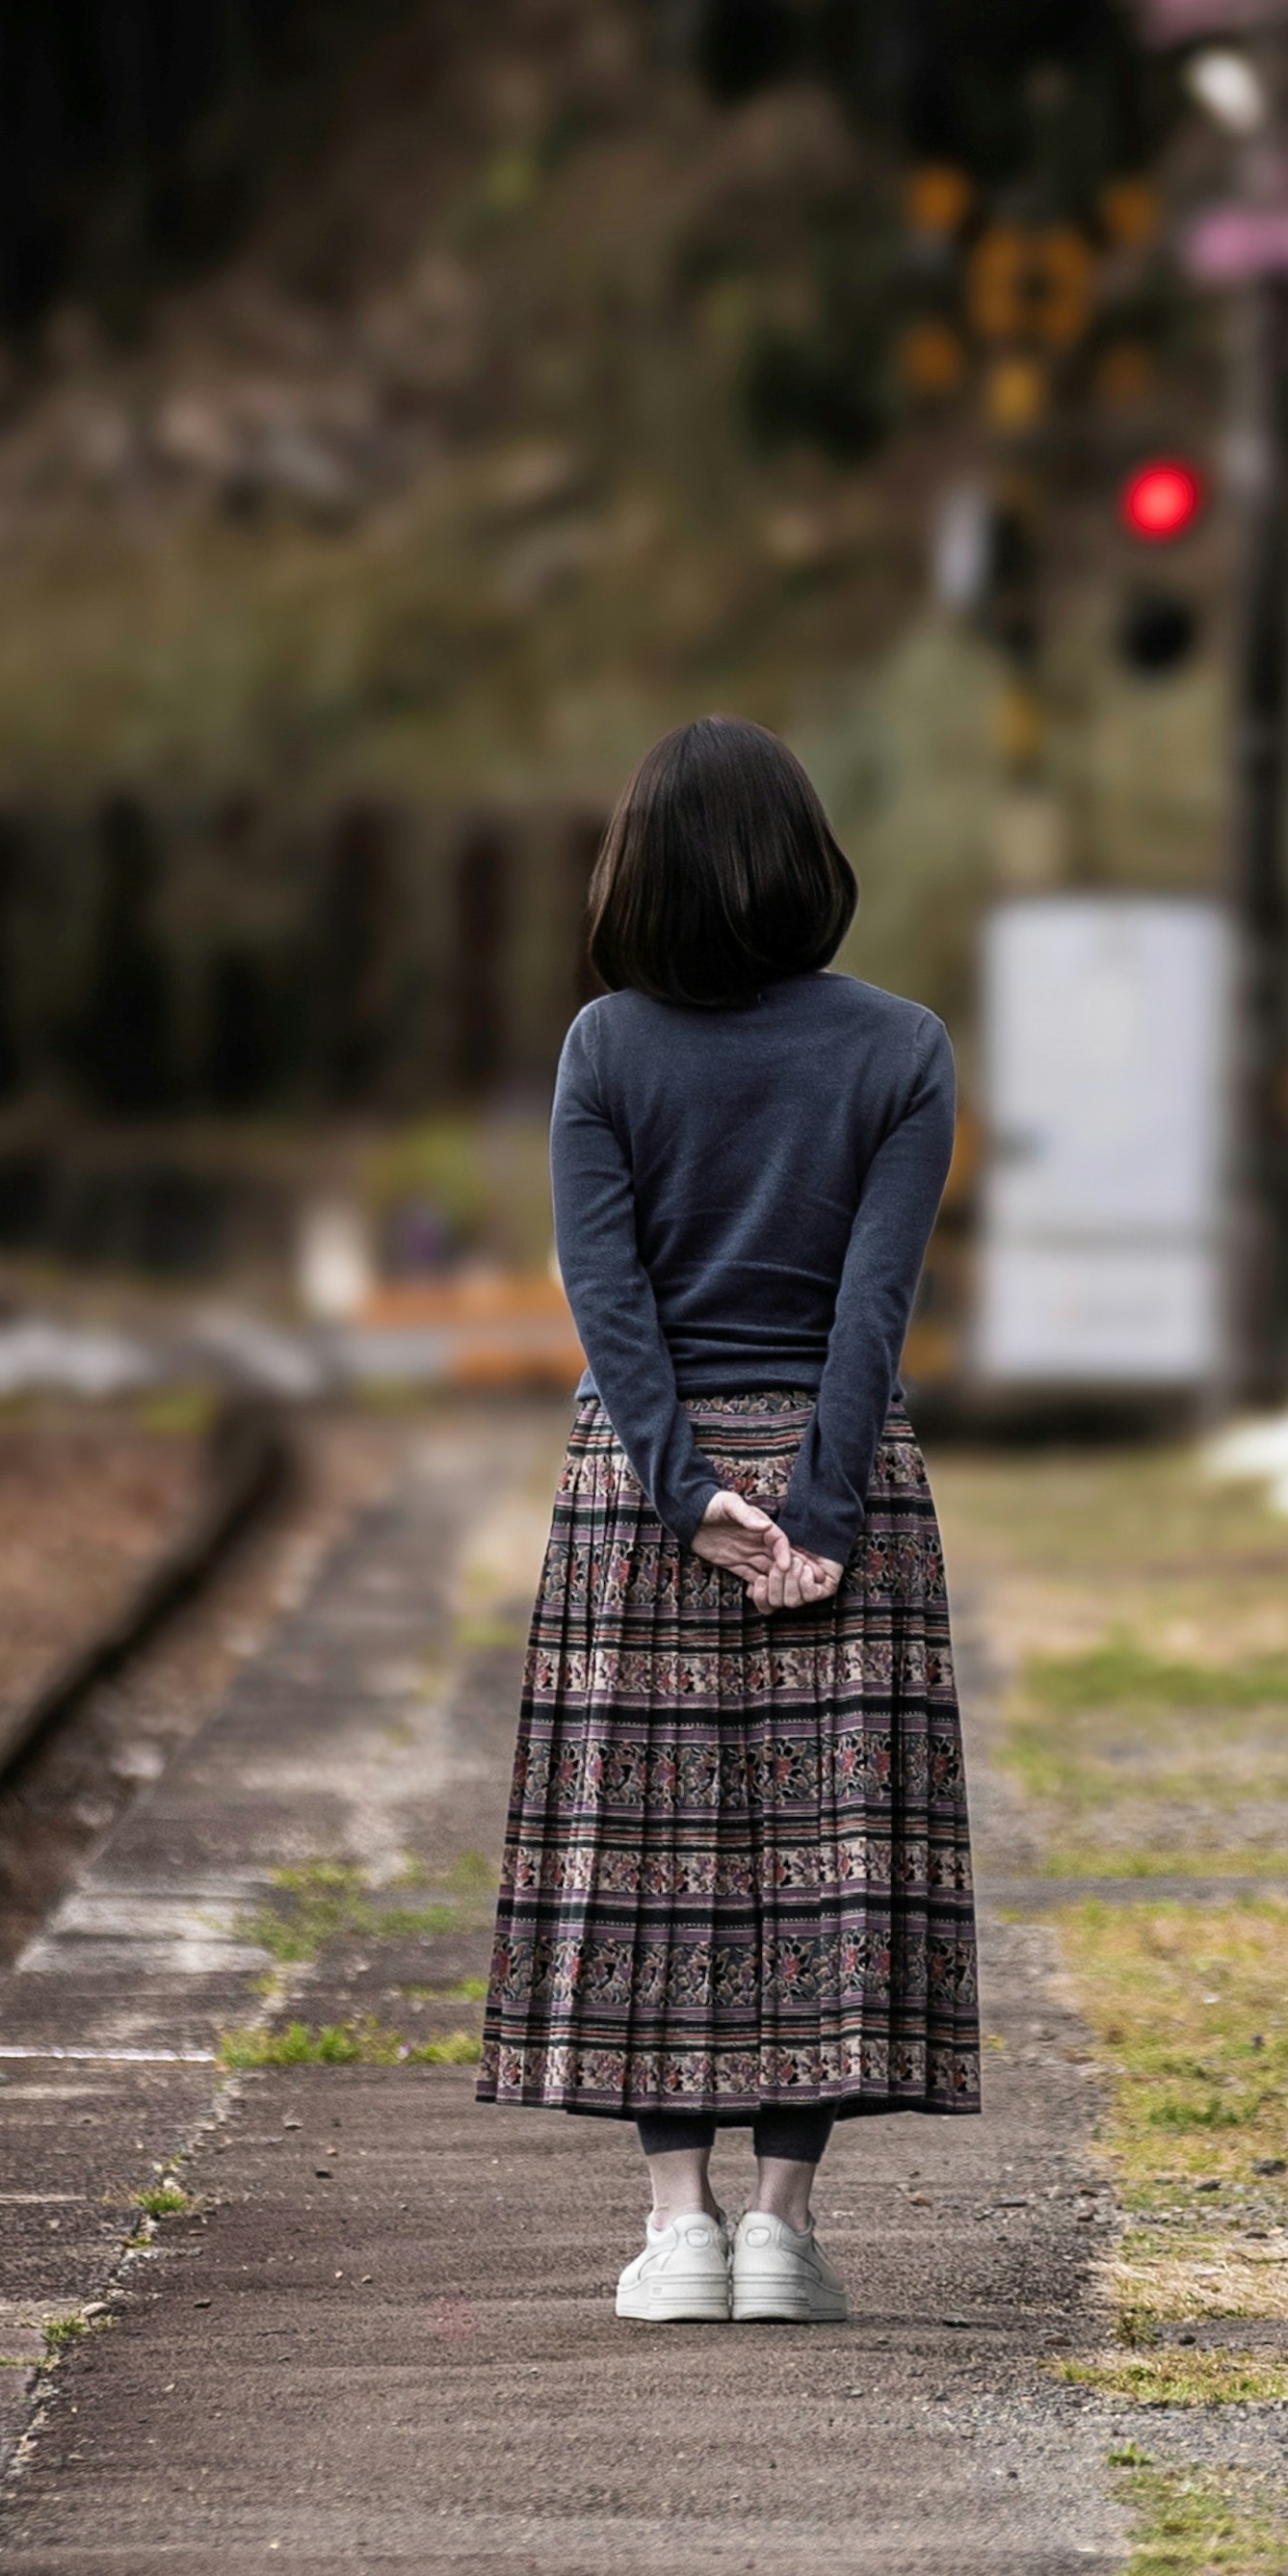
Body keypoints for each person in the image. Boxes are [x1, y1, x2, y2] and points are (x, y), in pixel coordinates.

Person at [475, 714, 975, 2325]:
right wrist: (816, 1509)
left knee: (651, 1851)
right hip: (841, 1481)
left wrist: (689, 1497)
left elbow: (607, 1299)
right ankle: (783, 2225)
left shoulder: (604, 1048)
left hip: (643, 1495)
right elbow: (870, 1308)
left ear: (640, 875)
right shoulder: (903, 1047)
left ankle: (675, 2223)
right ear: (807, 863)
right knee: (825, 1856)